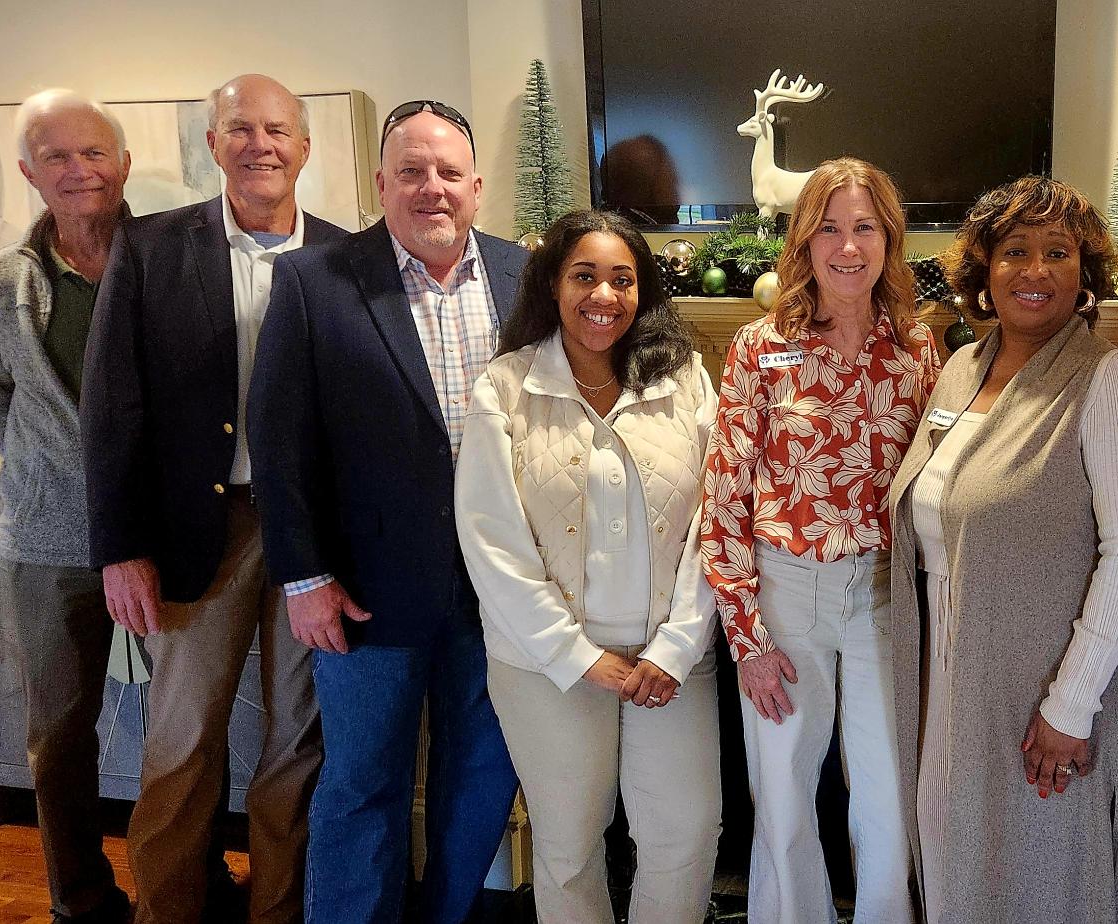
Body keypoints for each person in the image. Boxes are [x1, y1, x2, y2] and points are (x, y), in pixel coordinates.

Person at [247, 100, 522, 924]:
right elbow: (279, 441)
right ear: (380, 183)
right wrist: (305, 578)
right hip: (366, 597)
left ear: (476, 186)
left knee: (480, 780)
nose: (431, 187)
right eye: (411, 171)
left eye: (448, 173)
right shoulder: (314, 281)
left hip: (501, 597)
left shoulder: (524, 276)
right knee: (363, 786)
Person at [81, 74, 342, 924]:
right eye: (240, 128)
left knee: (297, 741)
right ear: (213, 144)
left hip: (310, 538)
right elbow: (111, 408)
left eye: (277, 130)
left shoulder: (345, 258)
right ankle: (167, 912)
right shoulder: (150, 248)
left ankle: (279, 911)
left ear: (304, 147)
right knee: (182, 737)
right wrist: (121, 548)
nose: (259, 144)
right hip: (199, 531)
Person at [885, 176, 1118, 924]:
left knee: (1045, 867)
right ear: (984, 270)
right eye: (1014, 251)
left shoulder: (1109, 380)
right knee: (953, 846)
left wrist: (1070, 706)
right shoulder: (961, 370)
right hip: (953, 673)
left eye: (1057, 252)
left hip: (1050, 687)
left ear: (1085, 273)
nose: (1034, 270)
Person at [456, 209, 722, 923]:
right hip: (549, 666)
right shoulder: (505, 387)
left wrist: (677, 646)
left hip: (671, 660)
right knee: (569, 847)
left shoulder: (686, 380)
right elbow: (490, 538)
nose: (603, 295)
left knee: (685, 834)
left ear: (642, 292)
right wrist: (575, 655)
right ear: (552, 284)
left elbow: (718, 517)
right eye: (584, 276)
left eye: (622, 280)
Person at [698, 157, 941, 923]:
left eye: (864, 227)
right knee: (782, 798)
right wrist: (747, 638)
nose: (848, 246)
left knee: (889, 798)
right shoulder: (761, 346)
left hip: (882, 596)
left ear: (888, 238)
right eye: (829, 228)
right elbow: (725, 494)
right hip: (786, 594)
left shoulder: (916, 349)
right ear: (804, 241)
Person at [0, 88, 134, 924]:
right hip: (47, 543)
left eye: (93, 152)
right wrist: (58, 475)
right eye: (56, 156)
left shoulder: (166, 262)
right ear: (29, 172)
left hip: (164, 537)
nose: (78, 170)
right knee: (60, 735)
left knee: (187, 727)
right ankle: (82, 902)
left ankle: (192, 878)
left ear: (124, 163)